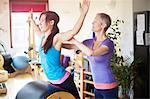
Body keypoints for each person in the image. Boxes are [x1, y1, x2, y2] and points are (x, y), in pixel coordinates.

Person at [28, 0, 90, 98]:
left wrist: (83, 13)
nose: (40, 23)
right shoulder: (44, 37)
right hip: (52, 81)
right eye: (39, 21)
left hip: (63, 80)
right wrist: (31, 20)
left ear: (51, 22)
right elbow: (36, 29)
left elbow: (73, 31)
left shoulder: (57, 38)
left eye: (42, 20)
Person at [68, 13, 118, 99]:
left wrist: (76, 41)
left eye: (95, 21)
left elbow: (92, 53)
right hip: (97, 87)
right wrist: (57, 43)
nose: (92, 23)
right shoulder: (89, 42)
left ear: (103, 25)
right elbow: (73, 47)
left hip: (109, 86)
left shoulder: (108, 43)